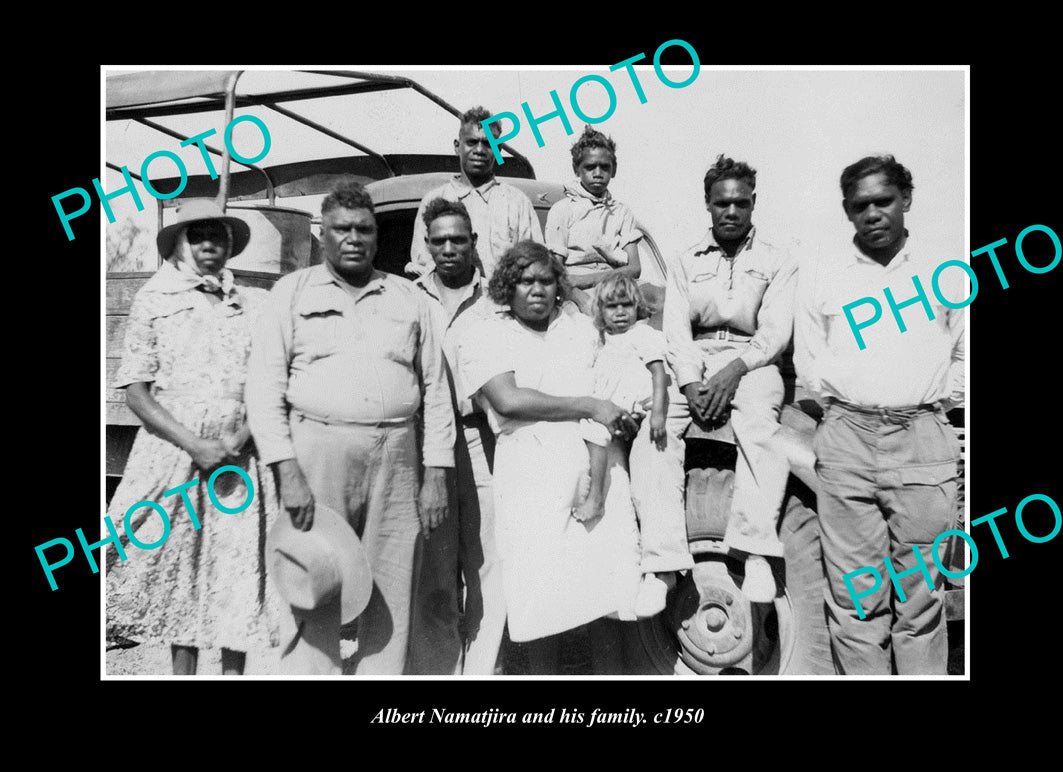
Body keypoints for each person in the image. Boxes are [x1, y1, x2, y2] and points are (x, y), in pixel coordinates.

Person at [246, 180, 454, 675]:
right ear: (323, 236)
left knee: (391, 585)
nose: (354, 239)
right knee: (314, 577)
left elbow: (437, 390)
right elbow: (263, 387)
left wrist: (437, 473)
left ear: (378, 237)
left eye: (364, 229)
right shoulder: (291, 293)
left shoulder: (409, 298)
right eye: (342, 229)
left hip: (398, 453)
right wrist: (286, 469)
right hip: (318, 447)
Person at [794, 155, 963, 675]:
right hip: (847, 438)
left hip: (923, 440)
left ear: (905, 200)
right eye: (860, 205)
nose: (872, 214)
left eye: (883, 201)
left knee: (920, 603)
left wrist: (933, 402)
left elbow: (963, 349)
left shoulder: (944, 268)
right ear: (847, 211)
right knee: (855, 602)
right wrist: (847, 407)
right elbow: (810, 356)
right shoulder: (825, 270)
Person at [105, 199, 279, 676]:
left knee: (235, 572)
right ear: (179, 243)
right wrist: (194, 444)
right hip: (175, 455)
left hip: (238, 461)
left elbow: (267, 383)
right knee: (179, 569)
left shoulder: (249, 303)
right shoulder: (154, 299)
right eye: (198, 235)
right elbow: (138, 394)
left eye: (217, 236)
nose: (209, 245)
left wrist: (242, 437)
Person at [456, 241, 643, 674]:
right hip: (529, 467)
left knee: (603, 592)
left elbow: (611, 384)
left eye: (545, 280)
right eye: (525, 281)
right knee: (540, 595)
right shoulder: (485, 333)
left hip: (593, 458)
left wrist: (615, 410)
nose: (536, 290)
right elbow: (508, 401)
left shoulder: (579, 330)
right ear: (508, 286)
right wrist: (591, 405)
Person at [649, 155, 798, 608]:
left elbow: (774, 332)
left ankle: (754, 551)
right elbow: (675, 330)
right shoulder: (683, 259)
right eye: (721, 204)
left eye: (741, 203)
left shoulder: (778, 258)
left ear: (754, 204)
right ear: (708, 205)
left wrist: (734, 372)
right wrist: (692, 384)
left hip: (751, 362)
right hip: (695, 357)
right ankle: (662, 561)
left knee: (759, 427)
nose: (731, 212)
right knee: (650, 432)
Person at [409, 198, 505, 675]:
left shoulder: (496, 300)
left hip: (484, 437)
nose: (449, 248)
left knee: (488, 561)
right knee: (437, 565)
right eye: (439, 241)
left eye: (458, 239)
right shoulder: (409, 298)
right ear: (426, 246)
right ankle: (442, 669)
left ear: (473, 243)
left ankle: (481, 669)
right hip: (431, 447)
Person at [582, 271, 676, 617]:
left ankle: (594, 496)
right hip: (613, 403)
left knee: (594, 430)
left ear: (637, 308)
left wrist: (658, 414)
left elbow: (658, 375)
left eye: (626, 305)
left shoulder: (643, 335)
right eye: (611, 307)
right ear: (600, 311)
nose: (620, 313)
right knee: (594, 434)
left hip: (637, 401)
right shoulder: (601, 340)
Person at [406, 106, 544, 280]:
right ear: (457, 146)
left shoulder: (516, 202)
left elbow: (535, 264)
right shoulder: (434, 200)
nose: (479, 150)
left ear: (498, 150)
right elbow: (422, 264)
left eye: (487, 144)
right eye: (472, 142)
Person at [545, 126, 643, 312]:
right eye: (590, 167)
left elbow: (635, 268)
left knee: (663, 299)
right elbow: (555, 272)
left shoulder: (621, 211)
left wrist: (589, 280)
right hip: (572, 288)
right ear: (577, 169)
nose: (598, 173)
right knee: (574, 318)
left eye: (605, 167)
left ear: (614, 170)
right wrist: (578, 295)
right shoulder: (563, 209)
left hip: (616, 283)